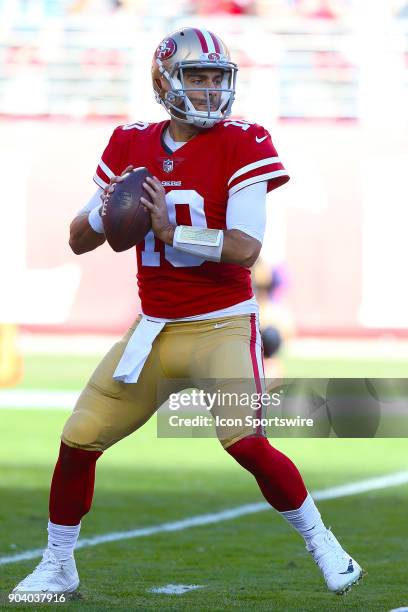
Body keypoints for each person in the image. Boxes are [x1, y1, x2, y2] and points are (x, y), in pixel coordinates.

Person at [13, 26, 364, 596]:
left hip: (221, 324)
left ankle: (327, 547)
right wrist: (112, 211)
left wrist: (172, 231)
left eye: (215, 79)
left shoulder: (243, 140)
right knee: (78, 438)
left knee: (245, 442)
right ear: (165, 82)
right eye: (195, 77)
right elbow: (77, 238)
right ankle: (57, 565)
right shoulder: (129, 143)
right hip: (152, 332)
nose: (207, 91)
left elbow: (246, 248)